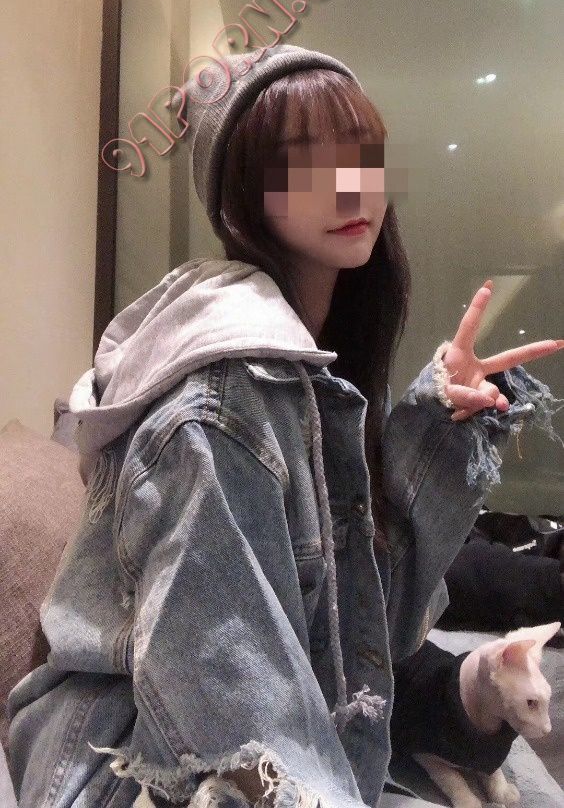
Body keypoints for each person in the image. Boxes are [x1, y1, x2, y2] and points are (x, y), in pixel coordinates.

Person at [7, 43, 564, 808]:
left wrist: (438, 424)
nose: (349, 183)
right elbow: (226, 696)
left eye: (361, 155)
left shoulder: (317, 369)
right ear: (240, 200)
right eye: (305, 162)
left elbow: (358, 629)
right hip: (136, 769)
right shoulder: (220, 402)